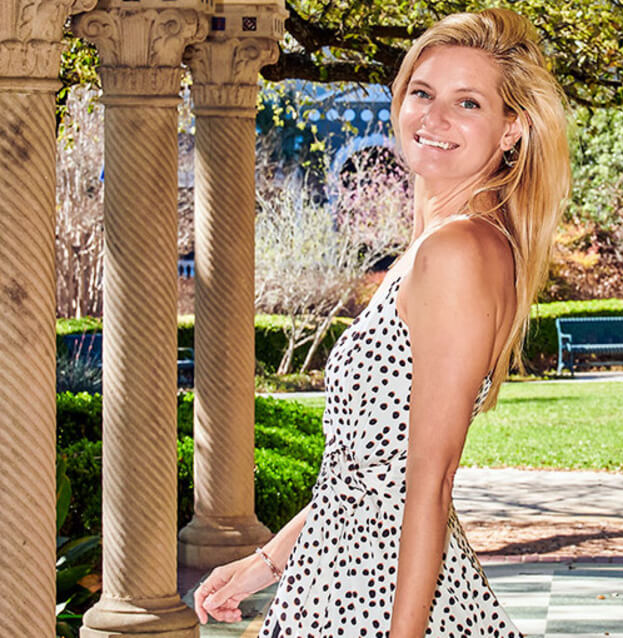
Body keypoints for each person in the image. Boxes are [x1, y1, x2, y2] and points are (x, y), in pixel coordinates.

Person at [192, 7, 572, 637]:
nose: (434, 118)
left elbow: (430, 483)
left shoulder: (458, 252)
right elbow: (365, 474)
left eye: (468, 102)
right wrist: (266, 563)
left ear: (513, 129)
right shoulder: (440, 248)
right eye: (422, 93)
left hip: (378, 596)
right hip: (340, 577)